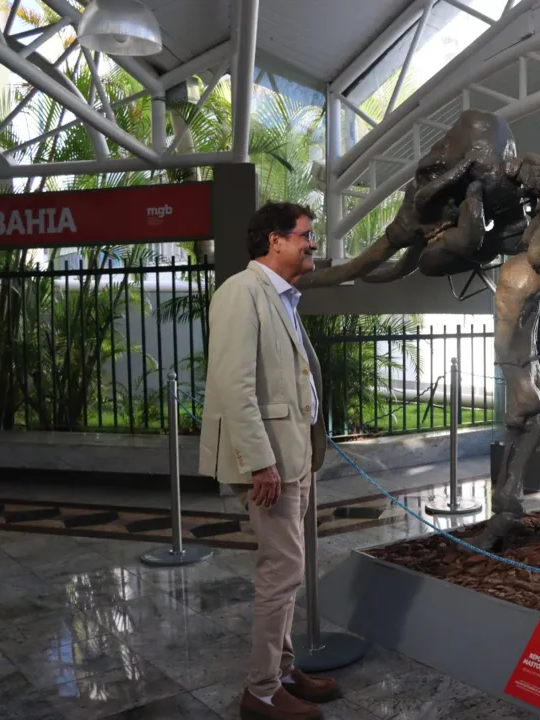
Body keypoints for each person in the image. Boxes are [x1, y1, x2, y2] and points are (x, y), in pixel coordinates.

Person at [199, 201, 340, 720]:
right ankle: (260, 692)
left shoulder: (279, 297)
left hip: (293, 455)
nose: (312, 244)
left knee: (288, 568)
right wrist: (260, 463)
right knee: (281, 570)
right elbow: (233, 386)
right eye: (306, 235)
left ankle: (282, 671)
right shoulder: (241, 293)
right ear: (274, 240)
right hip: (271, 461)